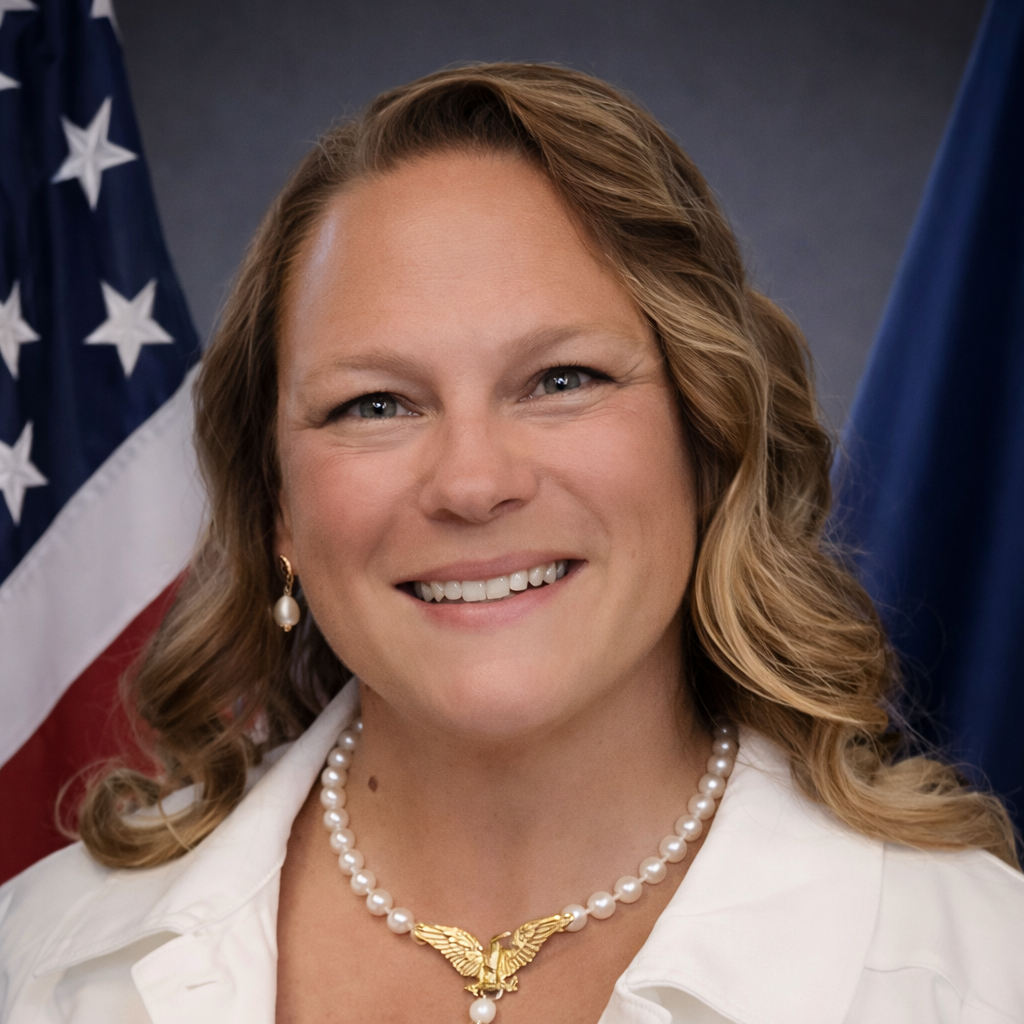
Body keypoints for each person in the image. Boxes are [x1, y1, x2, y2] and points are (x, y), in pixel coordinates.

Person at [1, 63, 1022, 1024]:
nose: (473, 483)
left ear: (710, 442)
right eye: (375, 403)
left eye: (561, 380)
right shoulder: (36, 955)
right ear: (276, 508)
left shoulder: (981, 970)